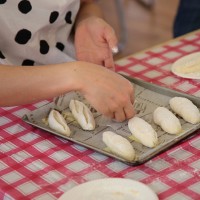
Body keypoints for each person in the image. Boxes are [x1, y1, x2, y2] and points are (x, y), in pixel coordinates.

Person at [0, 0, 135, 122]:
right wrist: (76, 75)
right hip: (11, 102)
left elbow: (86, 4)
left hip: (75, 84)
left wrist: (88, 19)